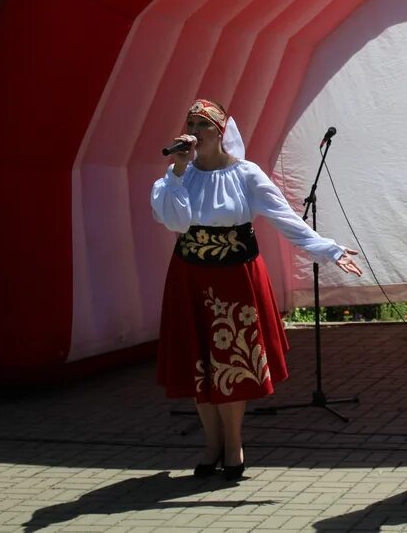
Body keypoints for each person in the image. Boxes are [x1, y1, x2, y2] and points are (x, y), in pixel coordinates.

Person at [151, 99, 362, 480]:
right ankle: (211, 444)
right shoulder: (176, 177)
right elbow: (175, 222)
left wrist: (328, 249)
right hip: (190, 277)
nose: (194, 130)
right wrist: (179, 173)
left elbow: (285, 219)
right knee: (201, 363)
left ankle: (233, 444)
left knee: (232, 360)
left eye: (202, 124)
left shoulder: (246, 175)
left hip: (234, 278)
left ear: (219, 131)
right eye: (190, 123)